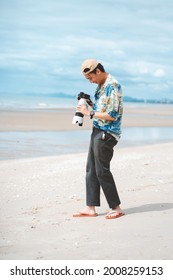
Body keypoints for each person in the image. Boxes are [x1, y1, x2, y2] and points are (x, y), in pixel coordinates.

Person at [73, 59, 124, 219]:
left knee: (102, 170)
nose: (90, 81)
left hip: (107, 132)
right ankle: (91, 207)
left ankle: (116, 207)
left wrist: (90, 113)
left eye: (90, 77)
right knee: (91, 169)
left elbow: (112, 115)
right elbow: (102, 108)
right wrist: (88, 103)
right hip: (98, 130)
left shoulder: (112, 85)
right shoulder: (101, 86)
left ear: (98, 71)